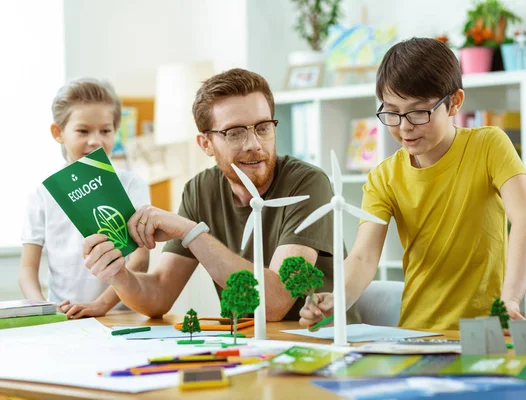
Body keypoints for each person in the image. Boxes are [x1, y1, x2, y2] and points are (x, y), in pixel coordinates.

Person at [299, 37, 526, 331]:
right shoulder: (383, 177)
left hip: (487, 331)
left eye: (417, 112)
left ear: (454, 103)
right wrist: (337, 299)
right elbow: (363, 257)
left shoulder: (489, 145)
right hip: (415, 334)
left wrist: (511, 299)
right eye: (392, 111)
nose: (404, 126)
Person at [81, 68, 361, 323]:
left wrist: (191, 232)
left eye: (263, 128)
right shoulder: (199, 190)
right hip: (250, 348)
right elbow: (159, 297)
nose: (254, 144)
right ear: (205, 144)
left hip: (320, 346)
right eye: (234, 133)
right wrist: (118, 275)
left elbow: (274, 303)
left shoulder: (308, 184)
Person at [19, 78, 150, 319]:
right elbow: (27, 269)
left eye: (105, 131)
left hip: (120, 315)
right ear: (58, 133)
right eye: (83, 131)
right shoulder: (42, 194)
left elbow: (140, 261)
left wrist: (100, 306)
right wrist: (44, 310)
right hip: (63, 315)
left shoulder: (133, 186)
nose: (95, 140)